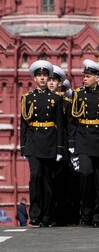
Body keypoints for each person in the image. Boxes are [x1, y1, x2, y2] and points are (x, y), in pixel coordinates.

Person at [69, 59, 99, 227]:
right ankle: (86, 211)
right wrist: (72, 143)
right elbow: (73, 121)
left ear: (97, 77)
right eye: (84, 76)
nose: (84, 79)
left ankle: (97, 213)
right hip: (84, 139)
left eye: (88, 76)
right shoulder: (78, 94)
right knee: (86, 174)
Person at [20, 60, 65, 227]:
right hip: (33, 143)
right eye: (39, 76)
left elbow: (60, 125)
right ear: (34, 78)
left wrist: (60, 148)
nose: (42, 78)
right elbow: (23, 124)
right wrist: (23, 146)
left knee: (47, 180)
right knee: (36, 177)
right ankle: (36, 214)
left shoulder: (56, 99)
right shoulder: (27, 98)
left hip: (50, 143)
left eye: (45, 76)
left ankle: (47, 215)